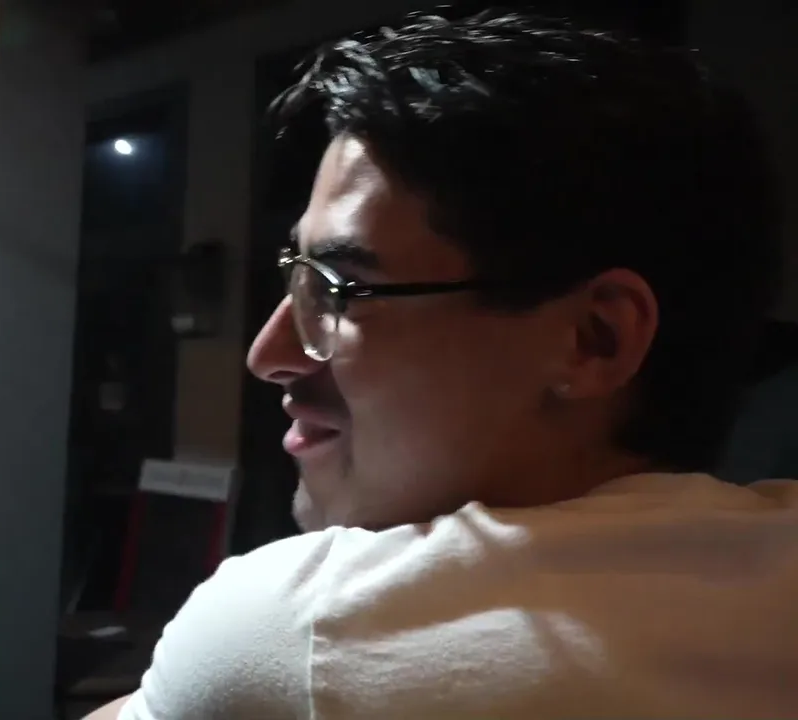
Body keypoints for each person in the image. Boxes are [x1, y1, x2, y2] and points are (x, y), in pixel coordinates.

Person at [88, 11, 798, 720]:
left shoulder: (312, 627)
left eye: (341, 289)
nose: (268, 355)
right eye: (296, 278)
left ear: (594, 339)